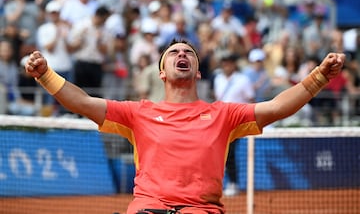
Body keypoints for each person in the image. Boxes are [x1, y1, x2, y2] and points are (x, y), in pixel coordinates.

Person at [25, 39, 345, 214]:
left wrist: (319, 76)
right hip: (149, 210)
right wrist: (45, 74)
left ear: (197, 71)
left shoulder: (224, 114)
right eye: (174, 53)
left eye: (188, 53)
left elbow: (276, 107)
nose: (182, 54)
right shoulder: (138, 113)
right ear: (162, 72)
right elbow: (83, 102)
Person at [213, 53, 255, 196]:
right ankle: (221, 183)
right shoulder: (218, 79)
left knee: (230, 153)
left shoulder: (243, 79)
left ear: (234, 64)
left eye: (228, 63)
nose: (226, 65)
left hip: (237, 121)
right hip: (220, 122)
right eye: (224, 63)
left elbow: (251, 99)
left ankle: (233, 183)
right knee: (219, 153)